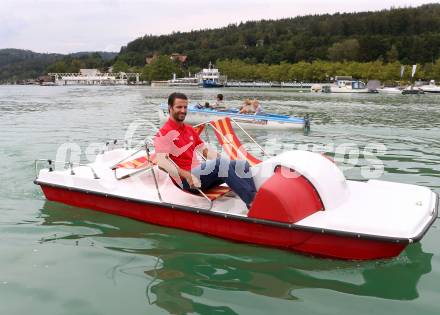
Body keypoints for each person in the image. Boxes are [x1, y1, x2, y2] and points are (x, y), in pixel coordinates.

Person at [154, 92, 257, 208]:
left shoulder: (189, 129)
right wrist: (187, 175)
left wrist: (224, 161)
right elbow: (162, 163)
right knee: (221, 164)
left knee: (241, 164)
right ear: (170, 108)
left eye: (185, 107)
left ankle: (255, 200)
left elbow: (204, 150)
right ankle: (254, 203)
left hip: (200, 176)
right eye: (179, 107)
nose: (183, 110)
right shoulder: (164, 133)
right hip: (185, 181)